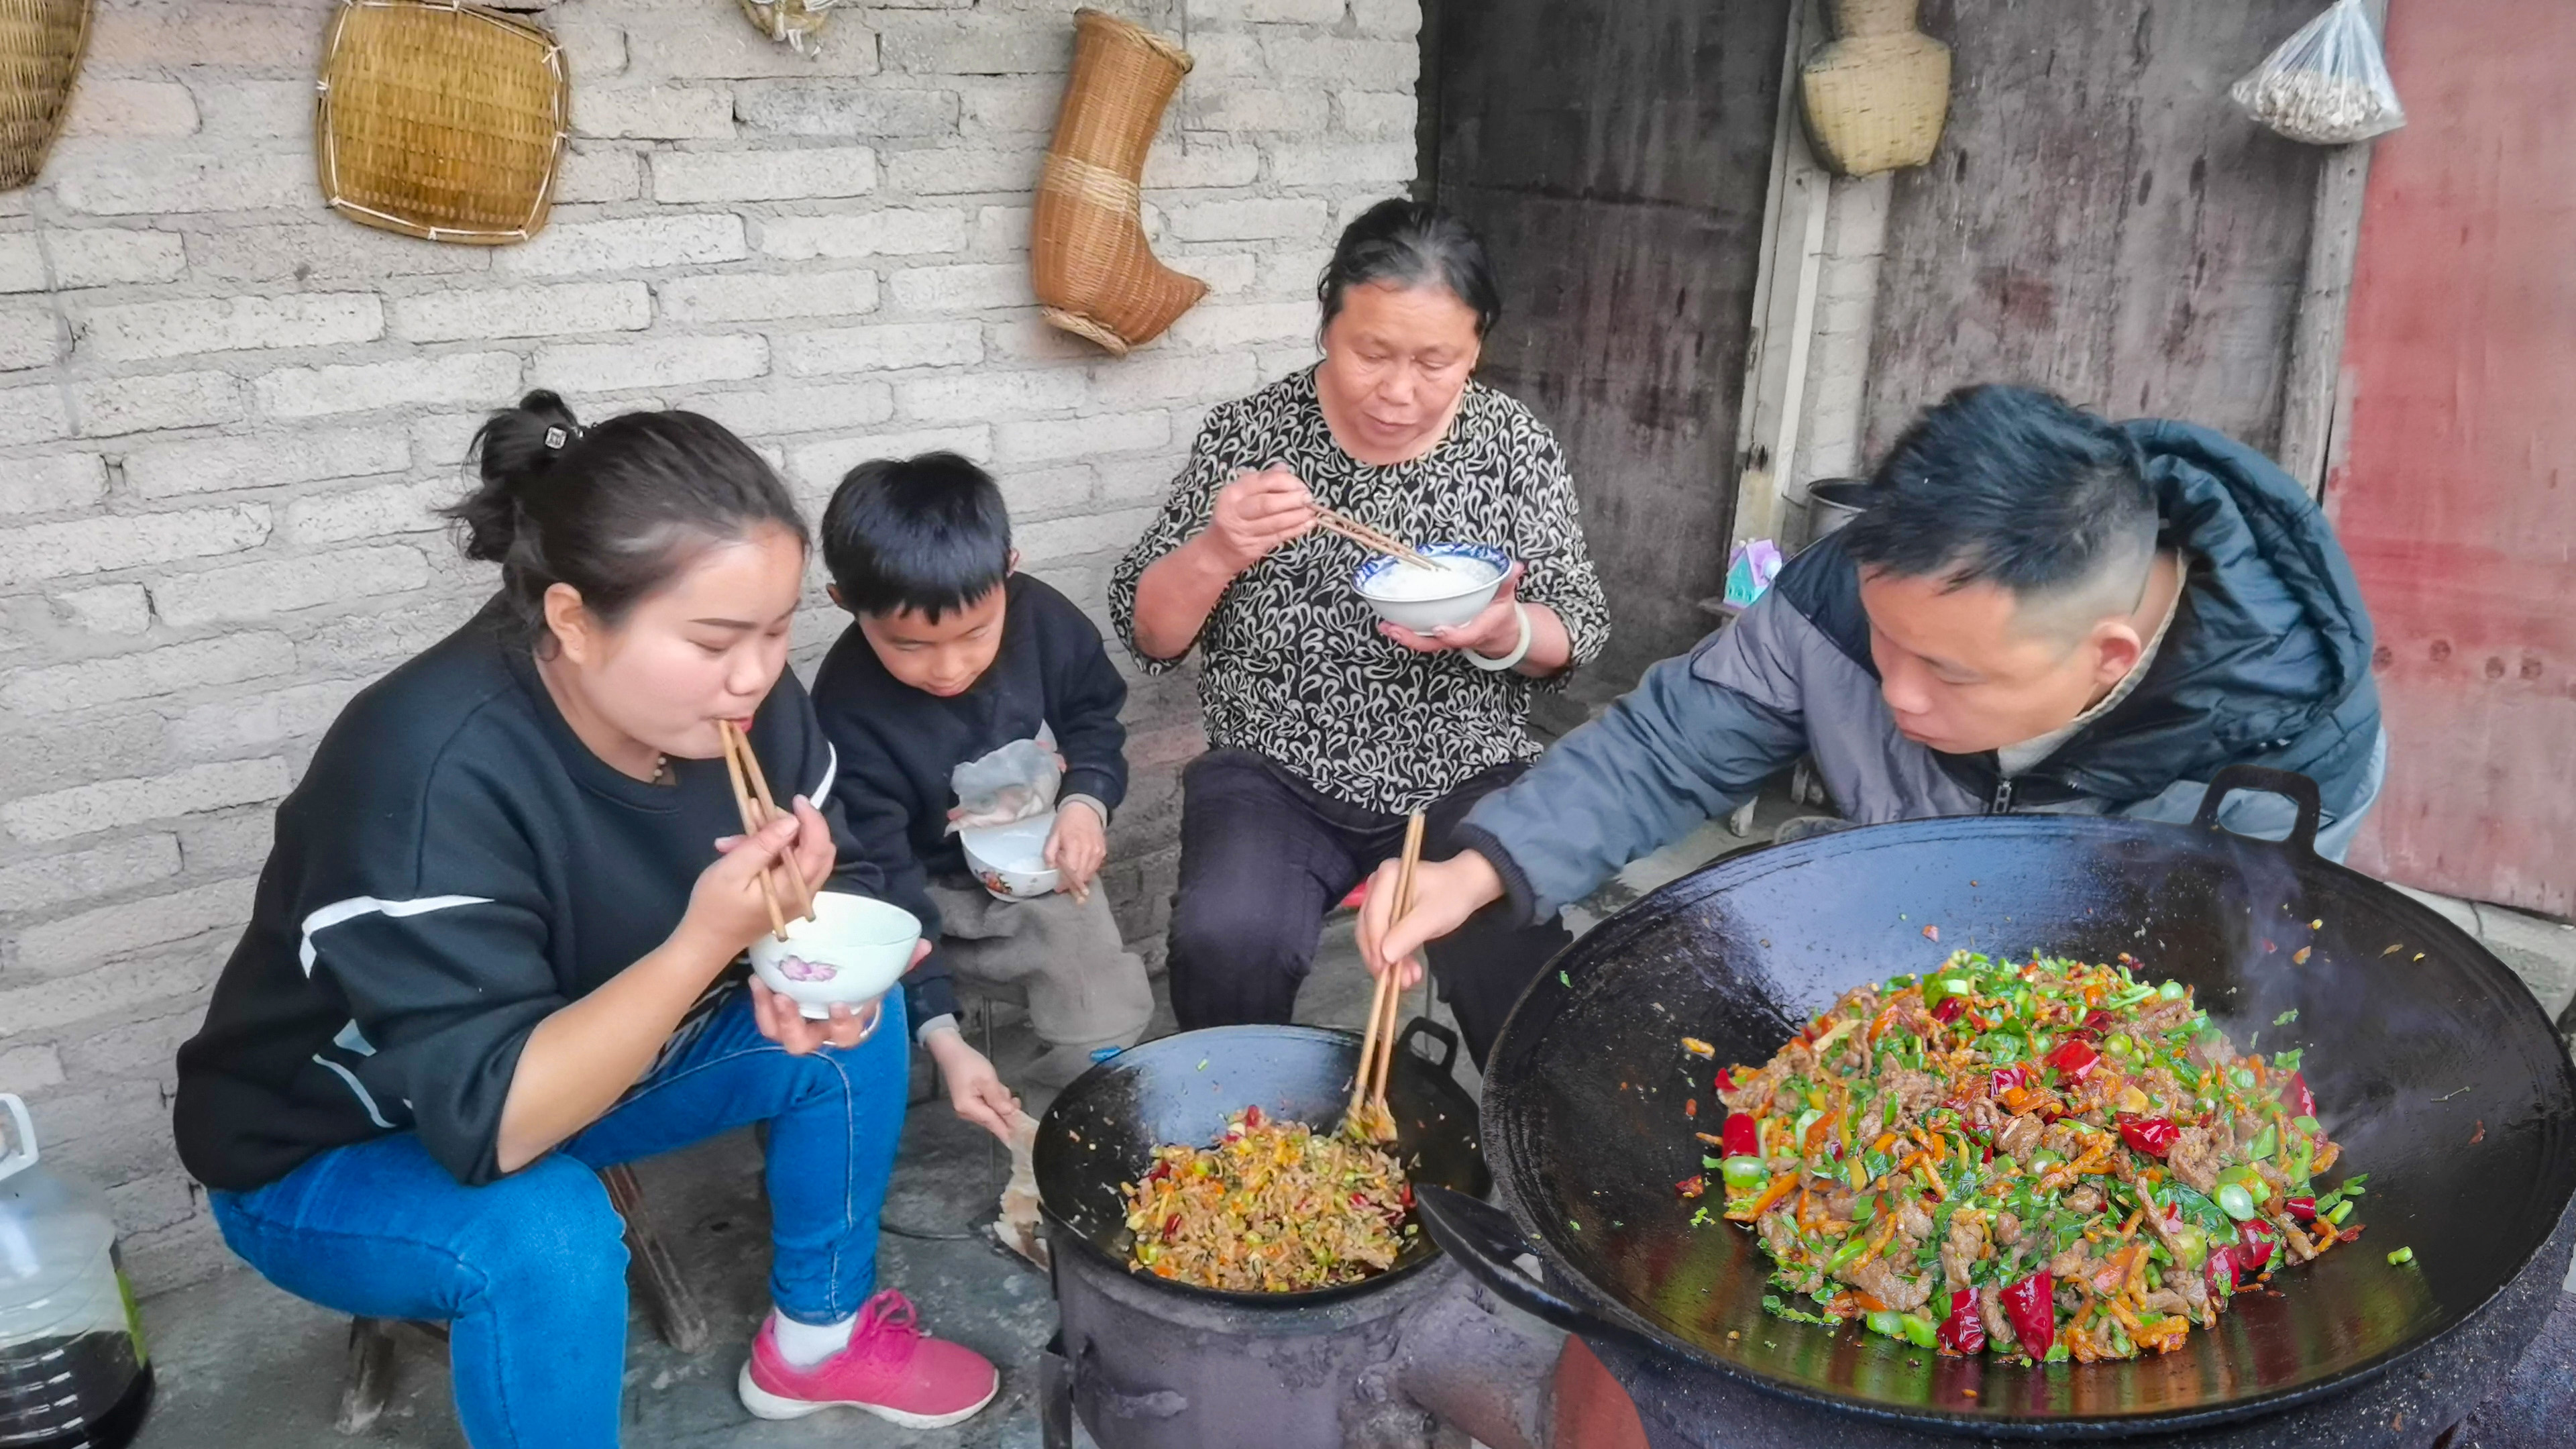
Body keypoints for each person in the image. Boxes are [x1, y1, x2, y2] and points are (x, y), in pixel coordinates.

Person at [171, 393, 1011, 1447]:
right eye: (714, 639)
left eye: (778, 629)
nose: (757, 674)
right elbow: (501, 1126)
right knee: (548, 1234)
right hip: (341, 1141)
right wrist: (712, 939)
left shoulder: (740, 703)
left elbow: (848, 881)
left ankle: (816, 1344)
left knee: (856, 1026)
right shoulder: (429, 771)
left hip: (586, 1060)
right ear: (572, 618)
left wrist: (805, 949)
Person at [1360, 384, 2387, 984]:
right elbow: (1674, 747)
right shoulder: (1853, 589)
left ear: (2107, 658)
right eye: (1883, 641)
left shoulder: (2280, 748)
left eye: (1947, 671)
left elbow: (2197, 979)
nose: (1895, 693)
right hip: (1900, 943)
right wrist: (1478, 868)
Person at [1110, 197, 1611, 1066]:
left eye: (1436, 361)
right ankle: (1241, 1140)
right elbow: (1150, 633)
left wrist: (1499, 633)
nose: (1399, 390)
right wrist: (1220, 548)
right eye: (1371, 352)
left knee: (1517, 962)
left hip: (1464, 769)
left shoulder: (1512, 444)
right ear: (1327, 324)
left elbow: (1579, 626)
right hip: (1273, 770)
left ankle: (1542, 1164)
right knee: (1229, 939)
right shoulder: (1251, 435)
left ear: (1478, 346)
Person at [810, 451, 1155, 1090]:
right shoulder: (845, 710)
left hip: (1039, 876)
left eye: (976, 633)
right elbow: (878, 871)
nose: (948, 668)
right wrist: (936, 1024)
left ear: (1009, 571)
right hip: (916, 893)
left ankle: (1044, 1124)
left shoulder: (1045, 622)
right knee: (857, 1046)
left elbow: (1094, 720)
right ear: (844, 602)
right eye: (909, 646)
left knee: (1101, 1024)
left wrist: (1086, 803)